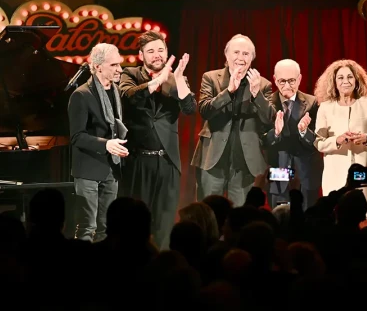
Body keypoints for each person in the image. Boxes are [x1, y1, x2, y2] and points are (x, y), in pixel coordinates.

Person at [119, 30, 197, 250]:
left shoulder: (177, 79)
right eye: (150, 51)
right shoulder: (130, 74)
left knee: (164, 221)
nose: (157, 55)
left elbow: (190, 109)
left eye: (160, 50)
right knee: (135, 221)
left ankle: (161, 262)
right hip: (137, 160)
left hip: (167, 161)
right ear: (141, 55)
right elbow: (128, 97)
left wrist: (178, 80)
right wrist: (156, 82)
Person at [191, 34, 276, 207]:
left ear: (252, 58)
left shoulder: (262, 84)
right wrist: (228, 91)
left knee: (241, 213)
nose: (240, 58)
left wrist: (256, 94)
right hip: (213, 157)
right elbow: (205, 111)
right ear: (227, 55)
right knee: (208, 209)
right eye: (236, 52)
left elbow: (269, 119)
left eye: (246, 54)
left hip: (244, 161)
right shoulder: (211, 78)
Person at [68, 43, 128, 242]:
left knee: (106, 227)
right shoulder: (81, 95)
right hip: (88, 170)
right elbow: (77, 136)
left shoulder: (116, 92)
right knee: (87, 227)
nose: (120, 69)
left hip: (111, 168)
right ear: (98, 66)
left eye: (119, 64)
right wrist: (106, 144)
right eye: (114, 65)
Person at [313, 59, 367, 197]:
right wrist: (337, 140)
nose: (345, 81)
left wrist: (366, 138)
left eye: (350, 77)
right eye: (340, 78)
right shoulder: (325, 107)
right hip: (336, 173)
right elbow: (319, 142)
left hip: (365, 169)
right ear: (334, 82)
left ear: (357, 80)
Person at [265, 59, 323, 209]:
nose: (287, 86)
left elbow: (319, 141)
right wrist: (276, 133)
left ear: (299, 79)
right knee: (280, 214)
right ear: (274, 79)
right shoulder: (266, 104)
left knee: (308, 216)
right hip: (278, 167)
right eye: (282, 81)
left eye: (291, 81)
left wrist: (304, 131)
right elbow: (261, 139)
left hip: (307, 170)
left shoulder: (313, 103)